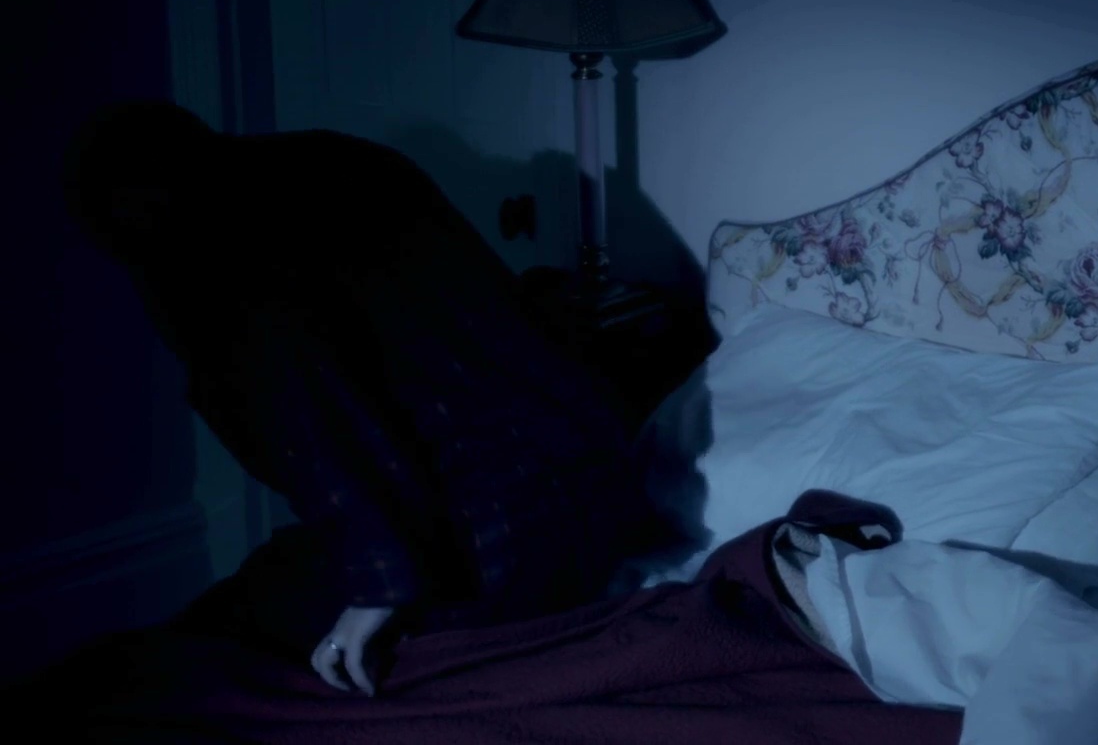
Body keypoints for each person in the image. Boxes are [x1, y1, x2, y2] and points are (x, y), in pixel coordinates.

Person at [61, 102, 707, 697]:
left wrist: (379, 586)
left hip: (494, 536)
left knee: (191, 659)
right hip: (597, 496)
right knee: (262, 592)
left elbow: (309, 412)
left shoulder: (210, 241)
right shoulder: (344, 159)